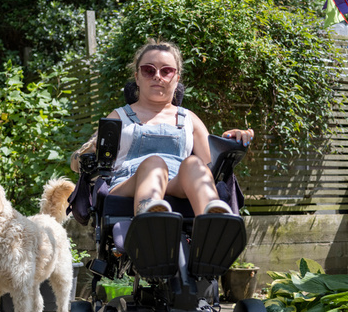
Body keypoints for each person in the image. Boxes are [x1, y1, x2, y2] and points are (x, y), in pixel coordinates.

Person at [70, 40, 253, 216]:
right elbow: (75, 164)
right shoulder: (119, 117)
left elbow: (211, 166)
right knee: (154, 163)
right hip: (129, 184)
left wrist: (232, 141)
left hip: (177, 183)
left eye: (166, 71)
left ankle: (215, 221)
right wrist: (88, 153)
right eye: (149, 70)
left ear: (177, 79)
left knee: (194, 164)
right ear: (137, 77)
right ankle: (151, 219)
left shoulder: (189, 119)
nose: (158, 76)